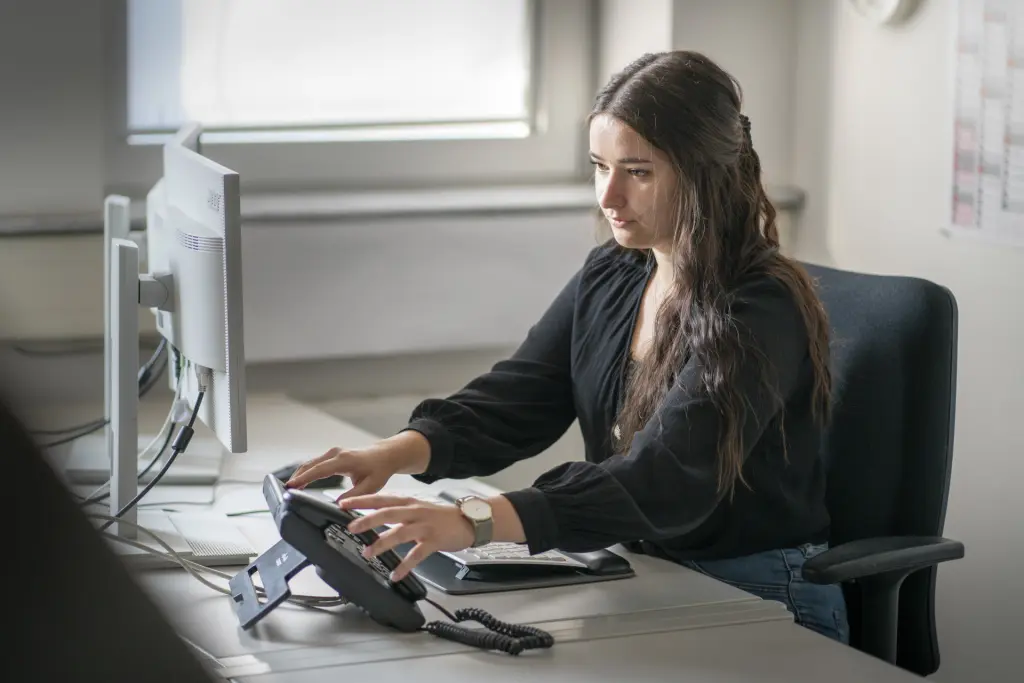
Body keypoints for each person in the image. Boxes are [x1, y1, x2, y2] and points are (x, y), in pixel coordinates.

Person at [286, 50, 850, 644]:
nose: (609, 198)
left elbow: (663, 480)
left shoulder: (759, 308)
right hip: (649, 569)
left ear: (705, 173)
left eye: (638, 172)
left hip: (761, 593)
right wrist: (394, 453)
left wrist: (471, 522)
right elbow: (522, 395)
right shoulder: (614, 271)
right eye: (599, 166)